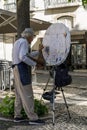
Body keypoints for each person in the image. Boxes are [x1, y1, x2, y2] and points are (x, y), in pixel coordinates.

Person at [12, 28, 45, 125]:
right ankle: (33, 118)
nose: (33, 39)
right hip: (21, 69)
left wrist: (38, 52)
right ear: (29, 36)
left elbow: (27, 55)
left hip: (16, 68)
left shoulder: (18, 41)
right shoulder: (24, 42)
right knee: (27, 94)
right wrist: (34, 64)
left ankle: (17, 116)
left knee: (19, 94)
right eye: (33, 37)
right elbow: (23, 57)